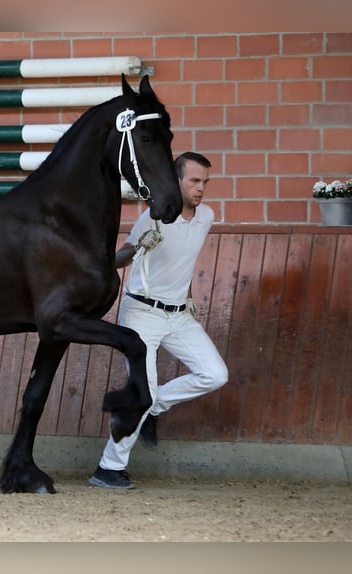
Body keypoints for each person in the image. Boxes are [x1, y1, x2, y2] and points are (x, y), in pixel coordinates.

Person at [89, 151, 229, 490]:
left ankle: (153, 407)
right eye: (194, 181)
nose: (201, 189)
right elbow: (116, 259)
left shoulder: (206, 216)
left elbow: (184, 259)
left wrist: (189, 291)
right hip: (142, 314)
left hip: (179, 315)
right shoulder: (152, 219)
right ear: (176, 180)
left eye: (205, 183)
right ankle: (108, 468)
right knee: (142, 390)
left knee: (215, 374)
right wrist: (139, 248)